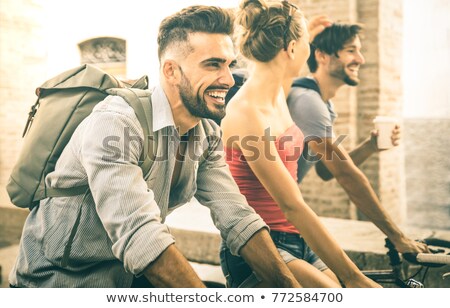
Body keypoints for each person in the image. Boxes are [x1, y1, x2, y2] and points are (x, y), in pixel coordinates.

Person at [9, 5, 302, 288]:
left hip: (128, 279)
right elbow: (141, 236)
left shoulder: (206, 134)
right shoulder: (117, 123)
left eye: (229, 64)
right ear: (171, 71)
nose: (227, 79)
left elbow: (238, 217)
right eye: (213, 64)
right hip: (60, 283)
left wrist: (292, 289)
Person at [220, 0, 380, 288]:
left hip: (298, 239)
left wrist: (304, 27)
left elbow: (277, 68)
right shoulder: (246, 113)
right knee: (342, 292)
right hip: (260, 246)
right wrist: (355, 277)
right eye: (307, 41)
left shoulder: (278, 93)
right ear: (292, 48)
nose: (310, 49)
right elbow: (292, 204)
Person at [285, 23, 429, 254]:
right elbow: (346, 175)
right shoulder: (307, 101)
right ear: (322, 56)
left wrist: (370, 147)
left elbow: (325, 171)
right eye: (351, 50)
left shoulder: (322, 103)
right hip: (268, 222)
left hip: (279, 219)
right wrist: (398, 237)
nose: (360, 59)